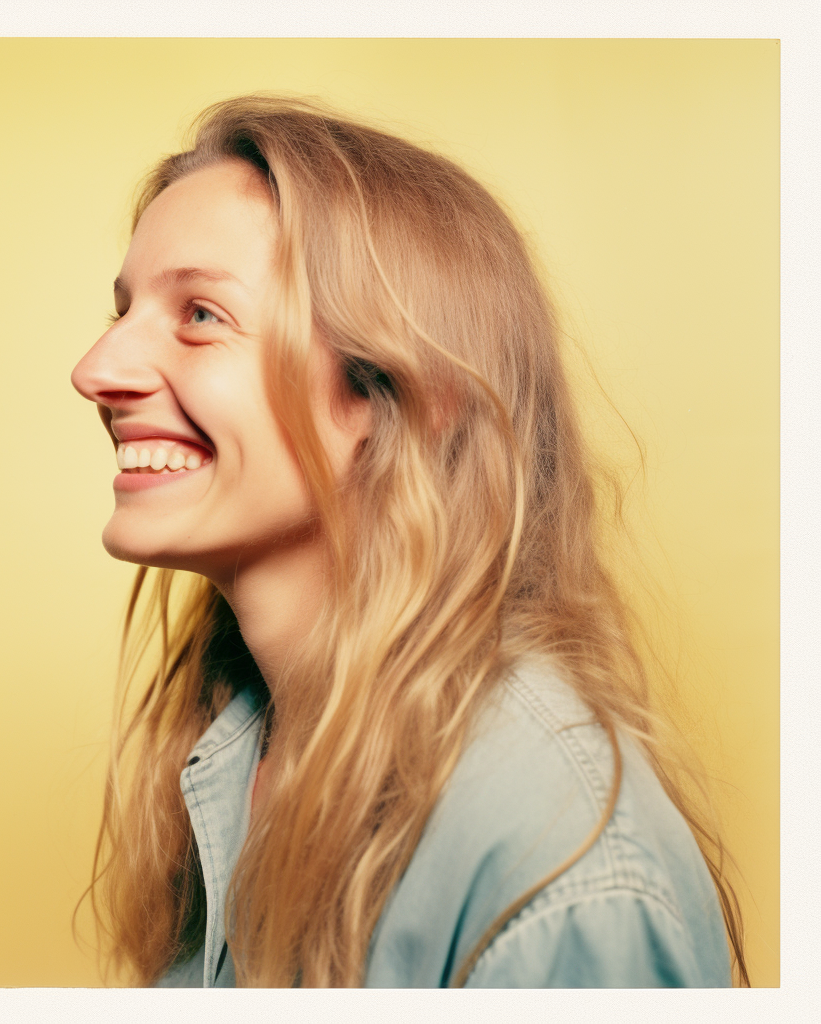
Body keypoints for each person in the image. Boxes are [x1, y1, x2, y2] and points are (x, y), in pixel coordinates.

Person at [70, 95, 746, 987]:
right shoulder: (239, 752)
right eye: (123, 311)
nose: (96, 370)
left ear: (401, 392)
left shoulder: (561, 872)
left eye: (200, 315)